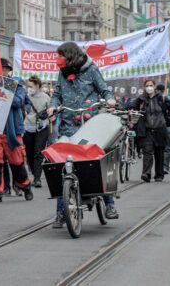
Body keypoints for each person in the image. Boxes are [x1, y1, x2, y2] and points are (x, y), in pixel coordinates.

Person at [48, 42, 118, 228]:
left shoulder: (91, 70)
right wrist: (52, 105)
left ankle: (109, 204)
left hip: (90, 124)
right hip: (68, 126)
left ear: (70, 55)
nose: (59, 59)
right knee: (62, 165)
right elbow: (56, 94)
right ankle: (61, 214)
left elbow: (104, 89)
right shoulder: (63, 74)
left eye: (61, 55)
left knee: (99, 159)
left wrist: (110, 99)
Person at [0, 59, 33, 203]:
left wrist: (0, 92)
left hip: (11, 131)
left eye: (5, 69)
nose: (2, 71)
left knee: (17, 161)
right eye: (0, 68)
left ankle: (25, 186)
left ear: (8, 70)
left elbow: (18, 102)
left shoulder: (17, 85)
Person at [126, 80, 170, 182]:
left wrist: (166, 119)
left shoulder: (162, 98)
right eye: (147, 86)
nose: (149, 87)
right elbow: (131, 107)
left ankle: (159, 174)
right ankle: (146, 173)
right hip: (146, 130)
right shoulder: (141, 99)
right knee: (147, 152)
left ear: (154, 86)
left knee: (159, 152)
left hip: (160, 129)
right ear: (144, 87)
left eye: (151, 85)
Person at [23, 75, 51, 188]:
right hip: (28, 127)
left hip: (42, 128)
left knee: (38, 152)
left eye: (31, 86)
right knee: (29, 153)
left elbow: (52, 112)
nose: (29, 88)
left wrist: (49, 114)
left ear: (38, 85)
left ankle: (37, 178)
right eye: (28, 86)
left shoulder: (46, 97)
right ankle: (35, 173)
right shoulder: (25, 96)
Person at [157, 84, 170, 174]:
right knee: (166, 147)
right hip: (166, 126)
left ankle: (163, 167)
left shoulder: (167, 99)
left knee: (163, 147)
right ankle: (164, 167)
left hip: (161, 126)